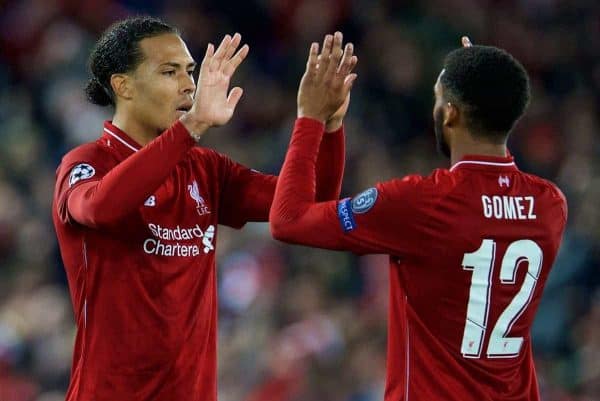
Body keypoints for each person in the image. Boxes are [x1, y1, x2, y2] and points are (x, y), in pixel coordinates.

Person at [52, 16, 349, 401]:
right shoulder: (85, 163)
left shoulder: (205, 169)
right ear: (123, 86)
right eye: (169, 71)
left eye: (190, 72)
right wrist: (191, 126)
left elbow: (311, 203)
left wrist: (323, 123)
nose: (188, 85)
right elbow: (102, 208)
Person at [270, 32, 567, 401]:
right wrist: (483, 84)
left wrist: (311, 119)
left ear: (452, 113)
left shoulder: (419, 203)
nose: (435, 111)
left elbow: (289, 219)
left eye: (439, 101)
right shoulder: (550, 205)